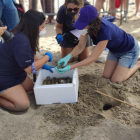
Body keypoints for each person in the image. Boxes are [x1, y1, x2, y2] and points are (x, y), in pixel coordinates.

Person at [55, 5, 140, 83]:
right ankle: (122, 66)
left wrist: (70, 67)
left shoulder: (105, 31)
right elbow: (80, 46)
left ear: (92, 23)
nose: (81, 26)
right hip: (114, 50)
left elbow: (92, 58)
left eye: (83, 24)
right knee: (106, 76)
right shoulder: (87, 27)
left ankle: (137, 64)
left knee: (116, 80)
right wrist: (68, 56)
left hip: (129, 50)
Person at [0, 10, 54, 111]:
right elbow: (30, 69)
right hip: (3, 75)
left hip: (14, 71)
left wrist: (41, 64)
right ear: (33, 27)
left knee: (32, 88)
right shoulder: (21, 40)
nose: (43, 30)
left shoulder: (19, 32)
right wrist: (46, 57)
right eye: (42, 27)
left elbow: (28, 53)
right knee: (22, 105)